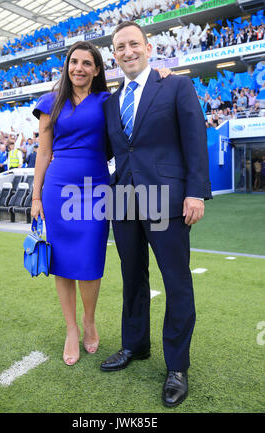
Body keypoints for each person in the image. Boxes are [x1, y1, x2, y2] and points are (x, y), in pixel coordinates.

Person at [31, 40, 172, 368]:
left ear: (97, 70)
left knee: (91, 259)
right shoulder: (50, 102)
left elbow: (141, 100)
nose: (78, 68)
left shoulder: (109, 100)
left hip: (95, 188)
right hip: (57, 188)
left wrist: (162, 75)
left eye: (86, 63)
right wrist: (36, 196)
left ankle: (90, 321)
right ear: (67, 66)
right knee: (62, 261)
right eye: (73, 62)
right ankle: (71, 327)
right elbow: (43, 153)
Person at [100, 21, 212, 408]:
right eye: (119, 47)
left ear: (148, 48)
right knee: (132, 277)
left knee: (176, 281)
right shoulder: (112, 101)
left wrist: (196, 192)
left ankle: (177, 366)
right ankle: (135, 346)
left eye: (133, 44)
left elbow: (195, 139)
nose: (127, 51)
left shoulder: (175, 84)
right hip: (123, 201)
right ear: (114, 55)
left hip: (167, 199)